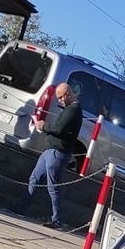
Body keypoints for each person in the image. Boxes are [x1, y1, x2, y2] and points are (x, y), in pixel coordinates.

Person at [25, 83, 83, 229]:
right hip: (50, 151)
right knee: (34, 178)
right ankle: (23, 207)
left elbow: (58, 129)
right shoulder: (69, 109)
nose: (59, 101)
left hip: (58, 152)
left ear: (68, 93)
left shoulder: (73, 110)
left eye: (61, 97)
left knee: (53, 187)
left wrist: (43, 126)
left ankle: (57, 219)